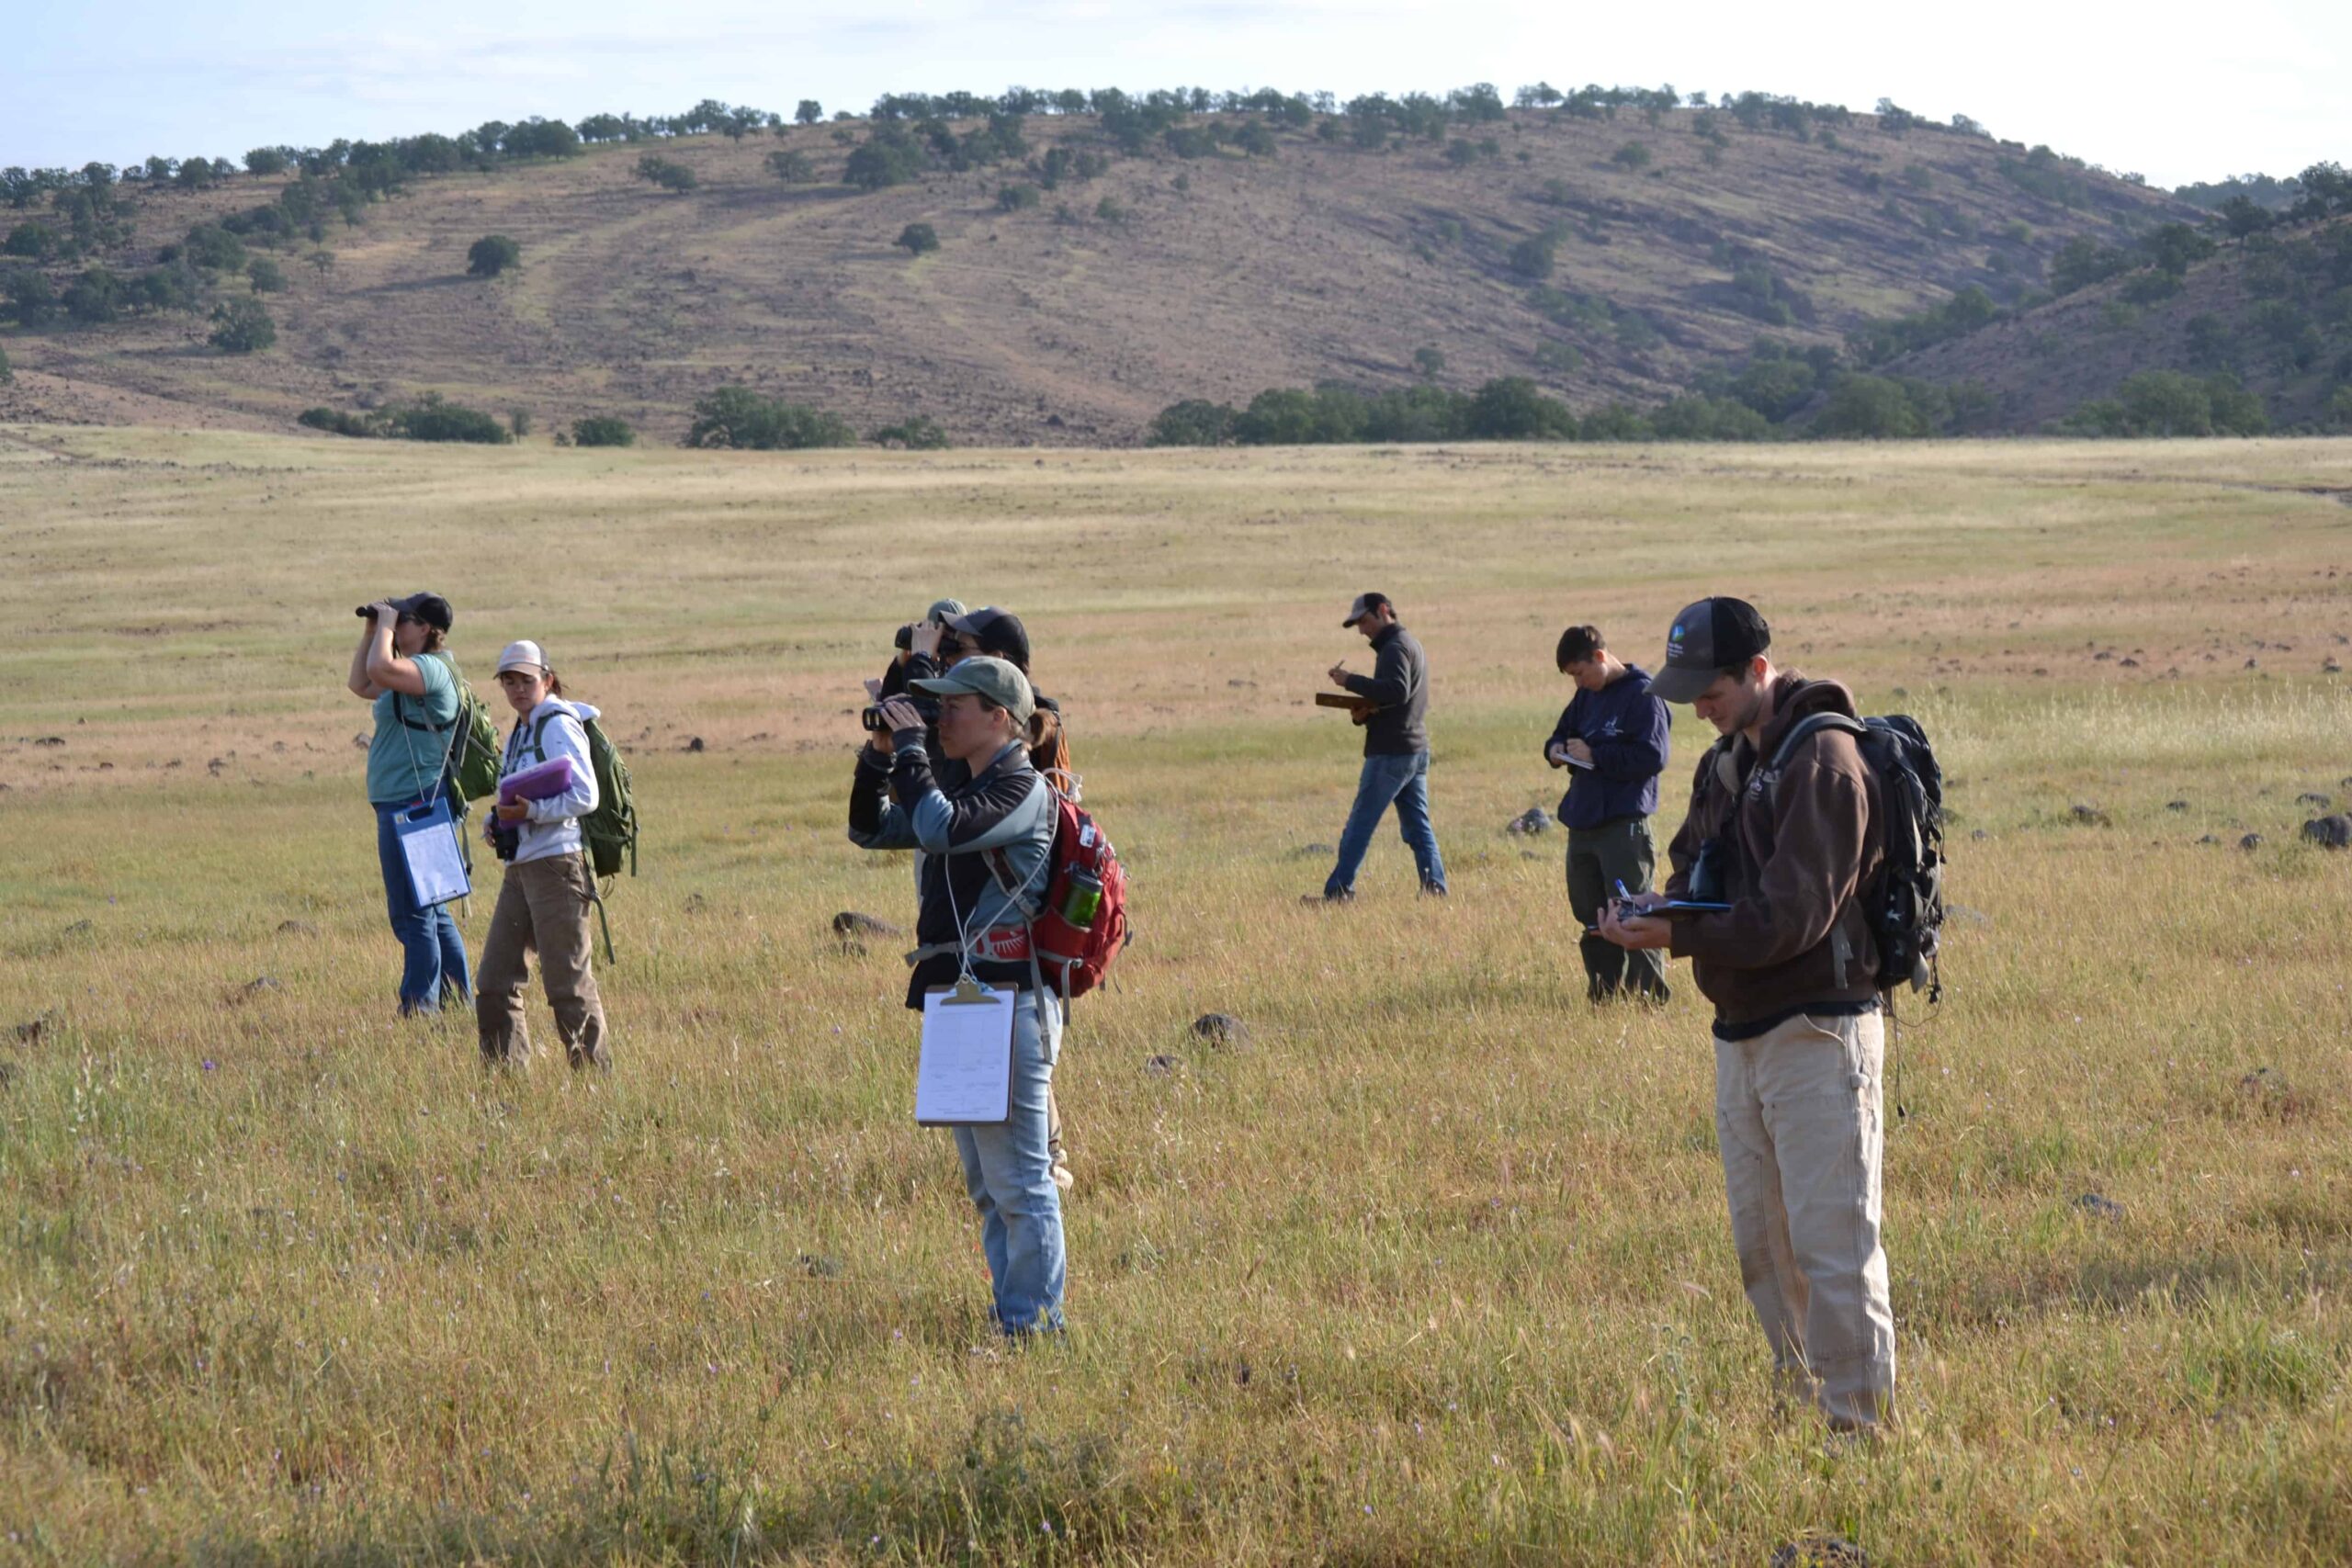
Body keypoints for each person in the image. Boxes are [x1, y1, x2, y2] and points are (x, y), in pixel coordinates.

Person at [1600, 597, 1894, 1433]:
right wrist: (1658, 907)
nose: (1699, 706)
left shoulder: (1827, 761)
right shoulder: (1725, 762)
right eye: (1688, 691)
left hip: (1818, 1030)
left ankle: (1860, 1433)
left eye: (1712, 688)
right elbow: (1693, 860)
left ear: (1758, 671)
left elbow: (1789, 918)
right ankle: (1800, 1409)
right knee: (1764, 1252)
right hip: (1741, 1033)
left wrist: (1680, 930)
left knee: (1833, 1249)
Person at [848, 657, 1066, 1337]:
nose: (940, 717)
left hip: (1007, 1003)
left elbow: (940, 828)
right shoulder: (968, 788)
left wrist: (912, 750)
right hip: (964, 1004)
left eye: (955, 705)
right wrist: (880, 753)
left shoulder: (1020, 788)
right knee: (987, 1187)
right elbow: (869, 826)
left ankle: (1034, 1327)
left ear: (1000, 717)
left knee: (1023, 1184)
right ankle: (1015, 1317)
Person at [475, 640, 609, 1069]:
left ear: (547, 680)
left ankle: (594, 1082)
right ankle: (505, 1082)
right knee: (494, 980)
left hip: (557, 866)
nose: (516, 689)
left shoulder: (556, 724)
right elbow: (514, 792)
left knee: (567, 984)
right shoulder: (521, 728)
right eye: (509, 681)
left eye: (526, 680)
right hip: (521, 868)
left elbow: (586, 795)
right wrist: (499, 820)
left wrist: (533, 811)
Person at [347, 592, 471, 1016]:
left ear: (426, 629)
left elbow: (378, 668)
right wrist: (373, 628)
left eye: (405, 619)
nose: (397, 625)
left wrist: (383, 624)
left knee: (413, 913)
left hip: (417, 803)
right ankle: (457, 1001)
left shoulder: (431, 670)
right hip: (408, 802)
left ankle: (420, 1008)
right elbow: (362, 683)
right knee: (432, 912)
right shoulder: (411, 671)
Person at [1544, 624, 1672, 1003]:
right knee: (1592, 916)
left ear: (1600, 657)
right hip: (1582, 822)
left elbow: (1653, 757)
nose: (1578, 683)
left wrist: (1596, 755)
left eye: (1580, 673)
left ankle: (1648, 999)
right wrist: (1554, 749)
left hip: (1623, 826)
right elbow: (1561, 732)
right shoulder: (1586, 697)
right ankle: (1603, 994)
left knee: (1632, 912)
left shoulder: (1644, 695)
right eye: (1572, 677)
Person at [1310, 591, 1445, 902]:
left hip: (1391, 753)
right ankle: (1435, 890)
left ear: (1384, 610)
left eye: (1365, 621)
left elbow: (1397, 691)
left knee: (1360, 825)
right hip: (1413, 748)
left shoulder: (1395, 647)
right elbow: (1399, 700)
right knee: (1418, 827)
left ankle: (1339, 893)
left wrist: (1350, 681)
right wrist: (1365, 713)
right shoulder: (1410, 644)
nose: (1362, 629)